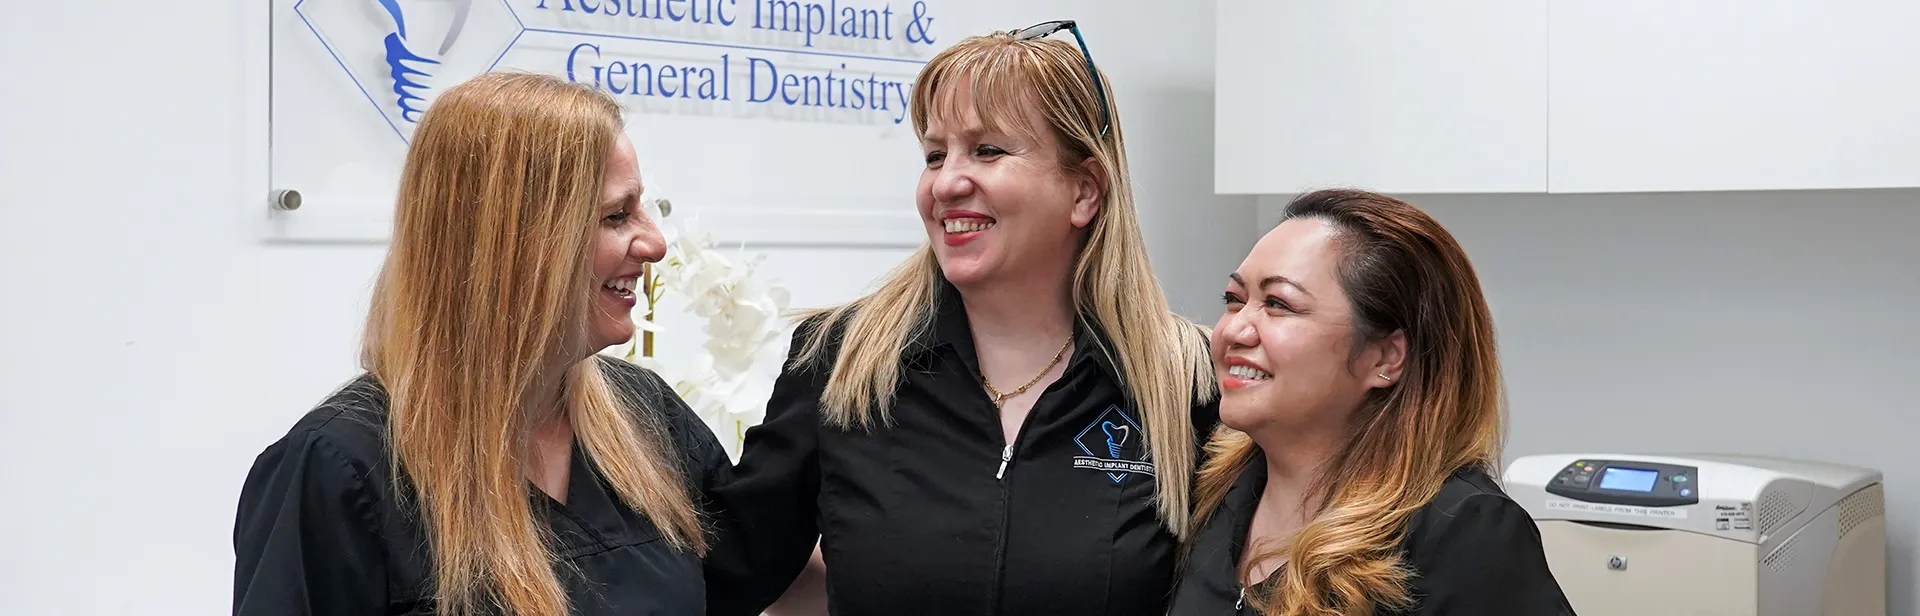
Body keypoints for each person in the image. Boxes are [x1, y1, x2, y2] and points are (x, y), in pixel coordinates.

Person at [702, 20, 1220, 616]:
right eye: (933, 154)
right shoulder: (839, 362)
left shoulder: (1188, 381)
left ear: (1084, 192)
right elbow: (717, 578)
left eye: (988, 150)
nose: (946, 183)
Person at [230, 71, 730, 615]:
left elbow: (765, 576)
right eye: (616, 215)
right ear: (511, 242)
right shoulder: (340, 469)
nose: (655, 243)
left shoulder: (646, 416)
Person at [1166, 189, 1575, 615]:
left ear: (1383, 357)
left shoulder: (1465, 530)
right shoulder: (1218, 486)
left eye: (1278, 304)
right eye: (1234, 300)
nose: (1234, 330)